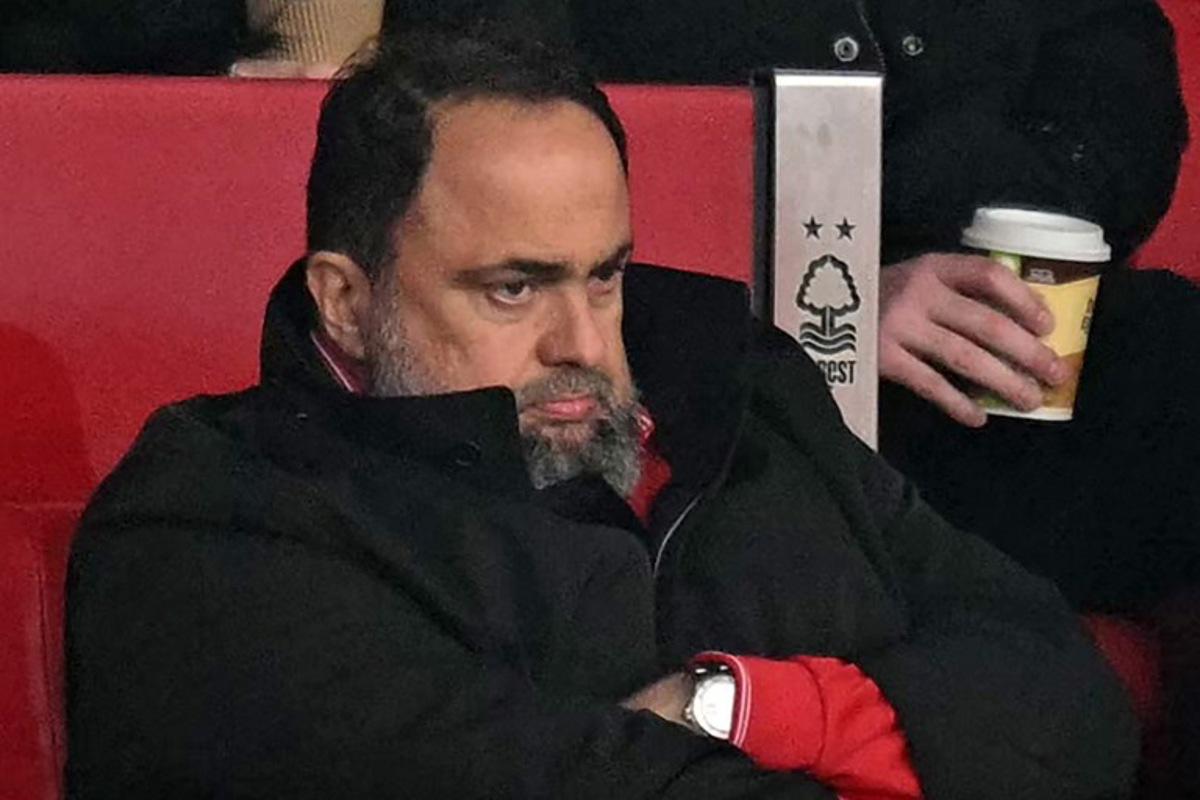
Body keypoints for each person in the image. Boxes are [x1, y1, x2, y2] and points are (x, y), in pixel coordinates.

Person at [66, 30, 1137, 799]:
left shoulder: (751, 404)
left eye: (607, 275)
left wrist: (751, 705)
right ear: (346, 301)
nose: (583, 341)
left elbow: (1074, 702)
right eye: (513, 288)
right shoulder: (213, 516)